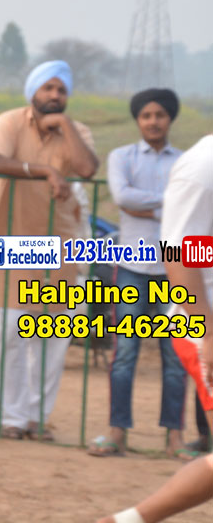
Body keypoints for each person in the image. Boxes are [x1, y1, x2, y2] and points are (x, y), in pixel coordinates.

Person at [98, 134, 213, 523]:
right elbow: (178, 254)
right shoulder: (203, 166)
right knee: (126, 355)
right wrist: (209, 333)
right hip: (201, 325)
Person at [0, 60, 99, 440]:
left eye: (61, 90)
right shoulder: (9, 121)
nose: (54, 95)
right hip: (15, 241)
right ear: (33, 90)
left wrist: (63, 124)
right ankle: (12, 418)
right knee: (13, 335)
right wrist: (46, 171)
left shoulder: (77, 130)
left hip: (62, 245)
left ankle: (37, 418)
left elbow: (87, 169)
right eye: (48, 87)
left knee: (53, 339)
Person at [90, 88, 189, 459]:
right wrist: (169, 205)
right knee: (125, 353)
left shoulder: (184, 162)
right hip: (131, 267)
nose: (153, 121)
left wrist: (147, 206)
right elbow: (122, 197)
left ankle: (175, 438)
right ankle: (117, 432)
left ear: (170, 119)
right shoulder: (121, 156)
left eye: (159, 115)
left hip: (175, 269)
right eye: (146, 115)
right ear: (138, 120)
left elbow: (186, 203)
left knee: (175, 357)